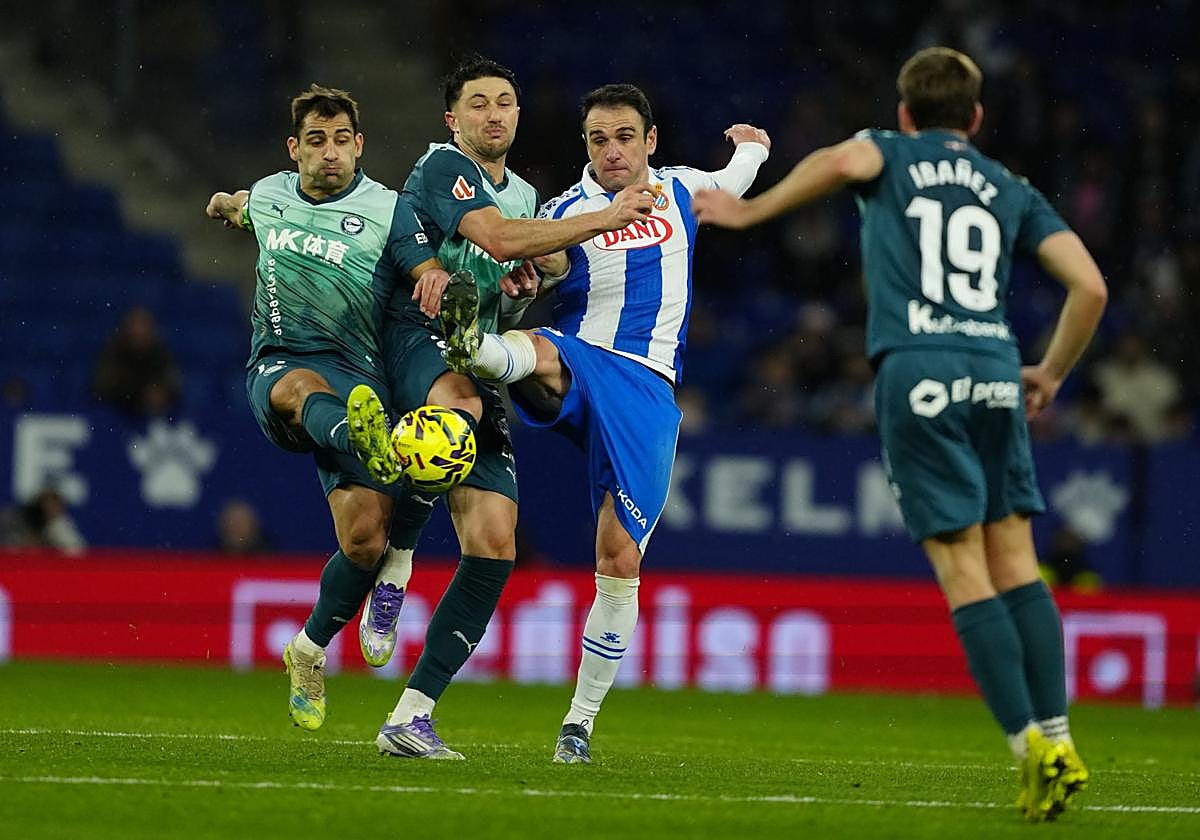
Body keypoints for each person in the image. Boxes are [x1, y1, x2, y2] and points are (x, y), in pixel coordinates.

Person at [692, 47, 1106, 822]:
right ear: (976, 117)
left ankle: (1030, 749)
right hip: (995, 370)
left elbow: (840, 160)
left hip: (919, 366)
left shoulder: (887, 149)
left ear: (906, 113)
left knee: (962, 565)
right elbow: (1090, 285)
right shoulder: (1008, 185)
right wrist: (1050, 372)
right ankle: (1061, 737)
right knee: (1017, 559)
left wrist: (750, 212)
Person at [346, 56, 657, 760]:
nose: (494, 114)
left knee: (495, 543)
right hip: (419, 338)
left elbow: (506, 277)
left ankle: (410, 717)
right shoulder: (442, 166)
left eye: (506, 102)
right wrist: (605, 219)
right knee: (456, 419)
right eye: (479, 103)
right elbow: (493, 237)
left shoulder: (524, 194)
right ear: (452, 118)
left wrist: (522, 289)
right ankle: (398, 562)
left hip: (477, 350)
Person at [449, 83, 769, 765]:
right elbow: (539, 269)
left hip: (647, 390)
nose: (612, 150)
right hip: (581, 361)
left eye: (625, 136)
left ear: (650, 141)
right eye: (598, 139)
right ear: (585, 146)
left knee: (619, 559)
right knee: (539, 349)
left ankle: (579, 724)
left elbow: (734, 180)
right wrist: (529, 281)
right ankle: (472, 348)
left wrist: (753, 148)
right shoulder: (562, 211)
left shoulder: (680, 188)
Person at [205, 83, 449, 735]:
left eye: (342, 140)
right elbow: (242, 205)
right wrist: (225, 203)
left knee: (363, 542)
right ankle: (357, 435)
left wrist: (436, 277)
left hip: (360, 378)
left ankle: (308, 650)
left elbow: (422, 263)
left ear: (359, 145)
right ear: (295, 149)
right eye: (317, 141)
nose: (330, 152)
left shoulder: (387, 208)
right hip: (280, 364)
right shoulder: (271, 194)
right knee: (298, 387)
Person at [92, 306, 181, 417]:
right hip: (118, 415)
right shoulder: (112, 353)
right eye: (135, 326)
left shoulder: (161, 354)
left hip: (154, 417)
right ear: (126, 329)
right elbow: (102, 388)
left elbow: (174, 385)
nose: (139, 331)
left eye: (143, 326)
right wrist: (139, 395)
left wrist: (162, 393)